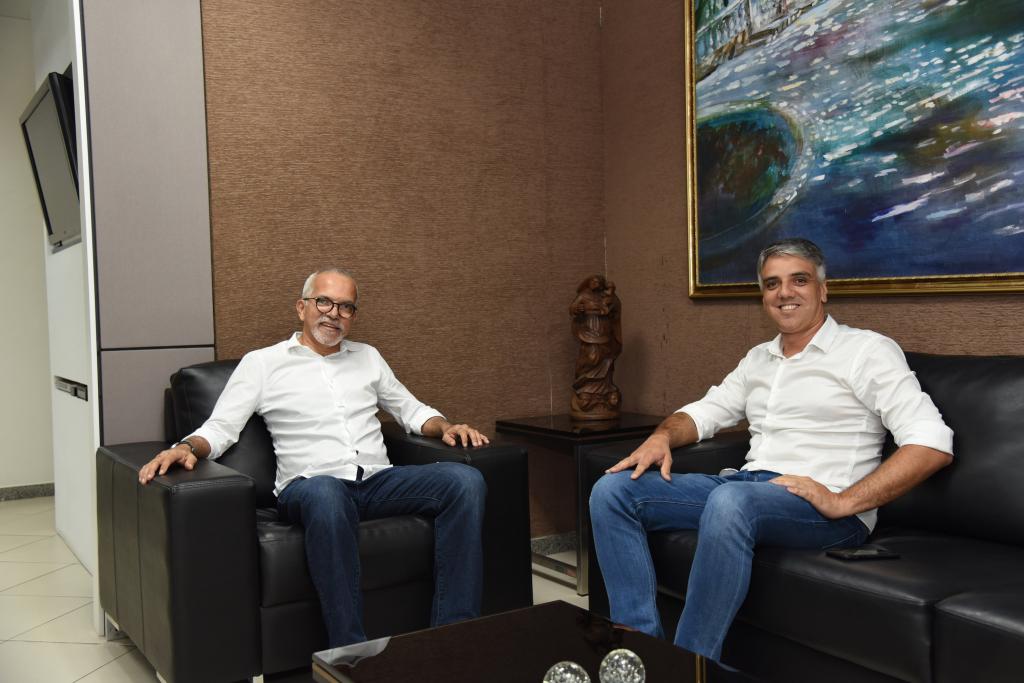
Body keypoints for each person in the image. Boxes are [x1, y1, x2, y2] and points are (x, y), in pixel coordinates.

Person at [589, 238, 953, 665]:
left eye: (799, 280)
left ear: (823, 289)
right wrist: (662, 437)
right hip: (748, 489)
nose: (784, 293)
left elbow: (932, 442)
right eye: (772, 284)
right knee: (612, 491)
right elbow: (706, 411)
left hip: (825, 509)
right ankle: (640, 653)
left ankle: (690, 667)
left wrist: (843, 501)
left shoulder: (866, 351)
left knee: (731, 500)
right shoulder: (759, 359)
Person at [138, 267, 490, 648]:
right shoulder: (263, 364)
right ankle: (350, 652)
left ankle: (454, 637)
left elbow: (411, 410)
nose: (333, 313)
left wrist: (445, 426)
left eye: (345, 306)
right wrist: (186, 447)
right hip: (309, 487)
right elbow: (222, 427)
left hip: (377, 481)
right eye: (324, 302)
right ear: (301, 307)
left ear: (353, 316)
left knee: (465, 481)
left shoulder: (368, 358)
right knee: (327, 493)